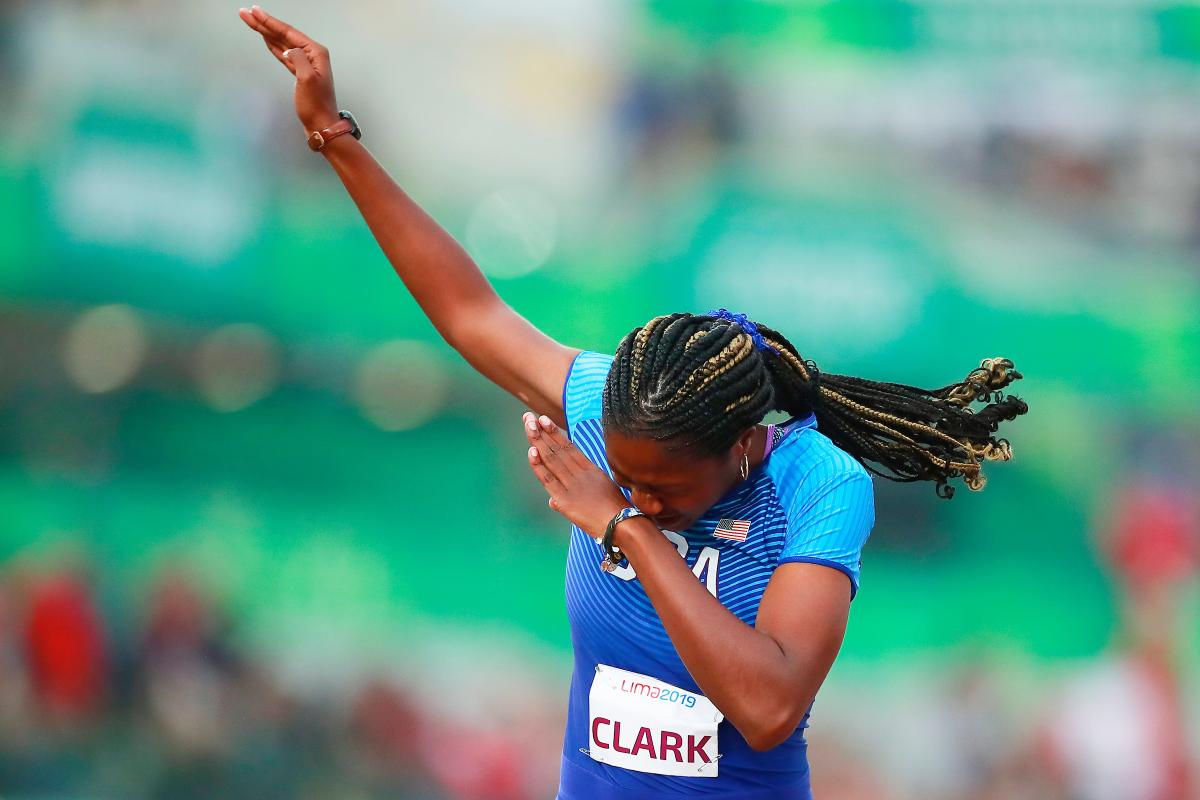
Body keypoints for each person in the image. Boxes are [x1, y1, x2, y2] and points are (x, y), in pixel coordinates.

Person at [238, 8, 1029, 798]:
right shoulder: (608, 405)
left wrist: (625, 526)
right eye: (625, 477)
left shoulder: (817, 485)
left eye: (665, 489)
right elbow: (471, 312)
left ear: (745, 444)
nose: (641, 492)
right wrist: (334, 137)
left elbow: (767, 706)